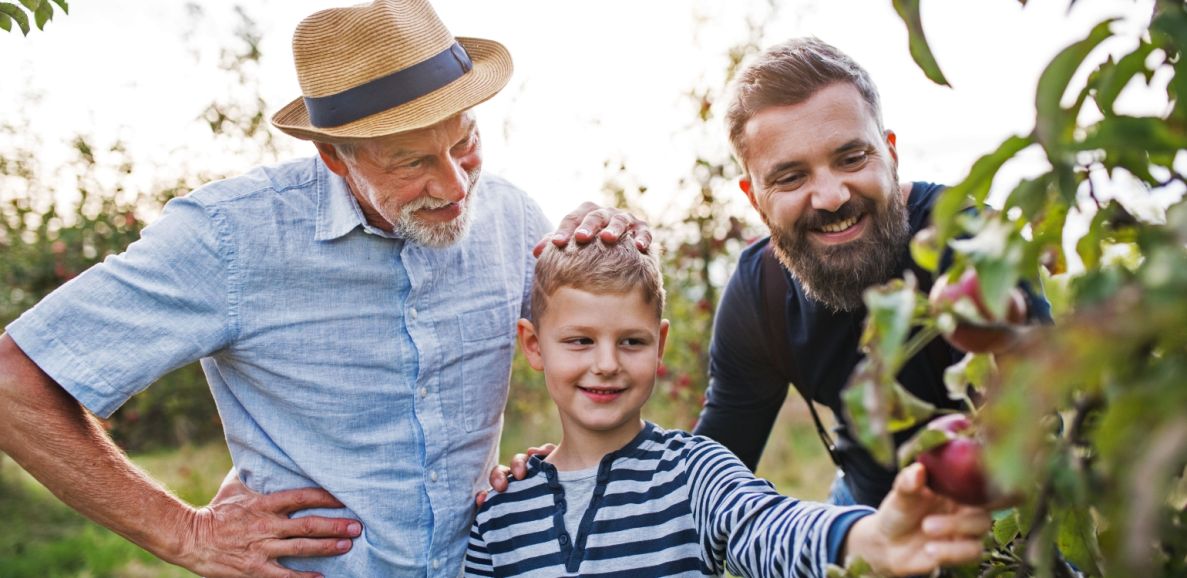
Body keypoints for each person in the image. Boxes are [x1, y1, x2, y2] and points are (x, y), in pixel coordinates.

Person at [0, 1, 645, 576]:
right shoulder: (231, 238)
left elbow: (590, 352)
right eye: (414, 163)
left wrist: (603, 239)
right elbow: (14, 383)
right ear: (336, 157)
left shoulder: (511, 218)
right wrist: (187, 535)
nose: (454, 186)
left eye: (465, 143)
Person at [466, 237, 991, 578]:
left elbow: (766, 526)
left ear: (661, 343)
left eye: (631, 342)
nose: (606, 364)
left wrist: (868, 538)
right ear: (533, 346)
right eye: (579, 341)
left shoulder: (694, 471)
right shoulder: (501, 511)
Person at [692, 37, 1051, 507]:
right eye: (791, 177)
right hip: (861, 519)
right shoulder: (760, 294)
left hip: (998, 513)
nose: (831, 196)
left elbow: (1046, 420)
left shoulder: (973, 245)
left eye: (851, 158)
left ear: (891, 154)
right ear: (755, 199)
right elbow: (715, 471)